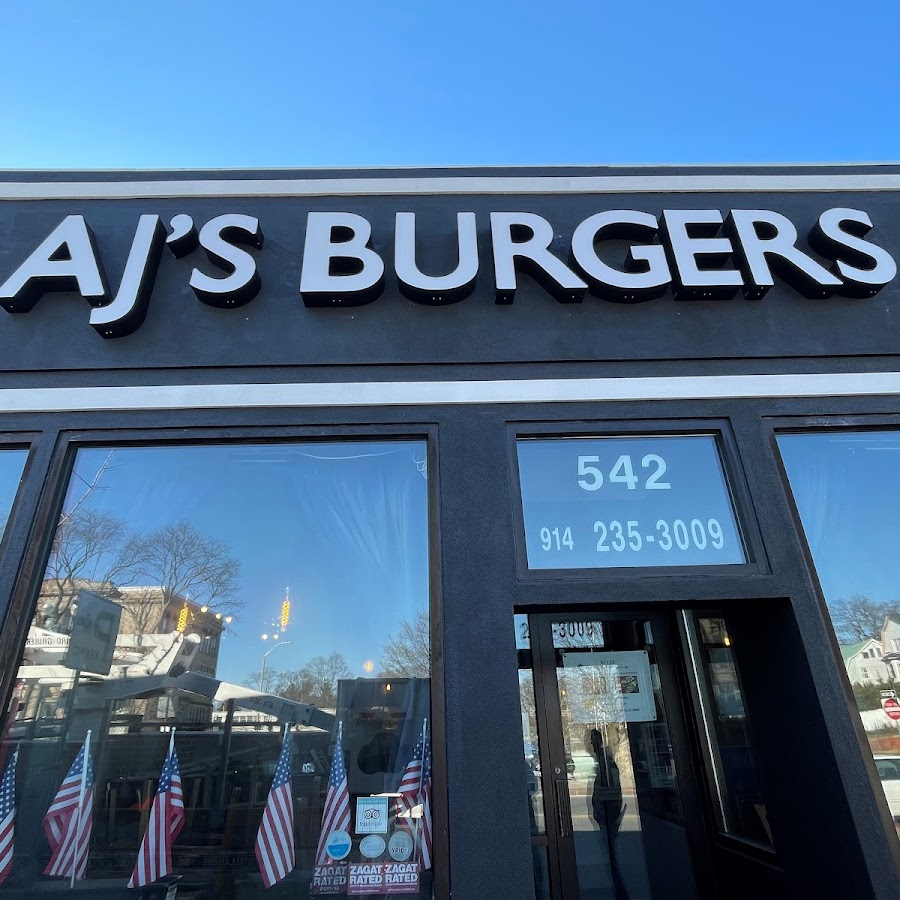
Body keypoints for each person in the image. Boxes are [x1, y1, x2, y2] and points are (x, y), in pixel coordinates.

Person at [587, 727, 628, 900]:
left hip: (608, 815)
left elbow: (613, 790)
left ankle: (621, 893)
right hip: (605, 815)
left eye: (592, 741)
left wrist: (604, 812)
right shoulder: (602, 760)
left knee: (611, 856)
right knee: (610, 856)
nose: (591, 745)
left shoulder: (606, 761)